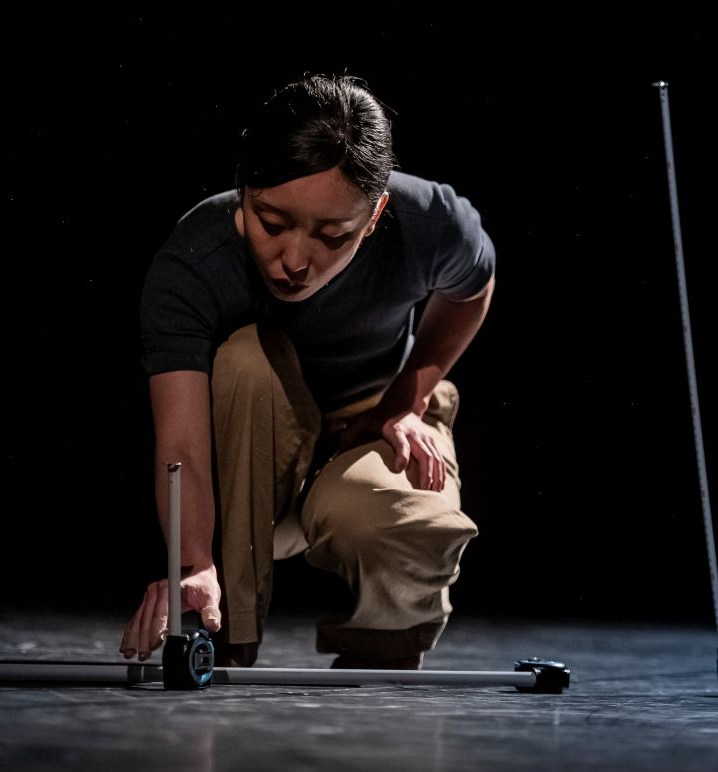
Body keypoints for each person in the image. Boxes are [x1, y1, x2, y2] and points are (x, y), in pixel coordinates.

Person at [119, 73, 496, 670]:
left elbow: (474, 286)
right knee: (245, 357)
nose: (294, 260)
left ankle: (382, 651)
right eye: (272, 224)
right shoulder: (193, 262)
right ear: (244, 190)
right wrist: (193, 564)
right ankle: (228, 630)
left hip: (370, 430)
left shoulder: (426, 220)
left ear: (374, 216)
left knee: (411, 523)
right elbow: (183, 447)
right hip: (251, 486)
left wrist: (405, 399)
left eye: (332, 235)